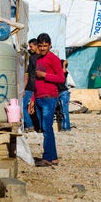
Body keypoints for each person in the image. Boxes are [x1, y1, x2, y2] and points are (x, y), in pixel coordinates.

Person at [28, 33, 65, 167]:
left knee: (46, 128)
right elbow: (35, 81)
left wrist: (45, 75)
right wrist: (32, 99)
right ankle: (53, 157)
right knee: (44, 129)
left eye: (45, 46)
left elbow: (61, 78)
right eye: (41, 46)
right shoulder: (37, 60)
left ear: (50, 45)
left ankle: (47, 158)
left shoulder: (53, 59)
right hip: (38, 97)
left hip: (50, 97)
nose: (43, 48)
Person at [22, 38, 39, 133]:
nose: (30, 48)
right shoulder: (33, 57)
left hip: (31, 87)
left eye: (31, 46)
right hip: (32, 87)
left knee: (24, 106)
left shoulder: (33, 58)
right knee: (31, 107)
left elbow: (32, 75)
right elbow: (27, 75)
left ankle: (29, 125)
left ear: (36, 45)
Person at [56, 59, 72, 132]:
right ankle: (63, 127)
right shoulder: (56, 73)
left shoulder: (63, 72)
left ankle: (66, 128)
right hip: (59, 92)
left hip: (63, 92)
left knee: (64, 111)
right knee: (62, 111)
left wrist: (63, 64)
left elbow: (66, 62)